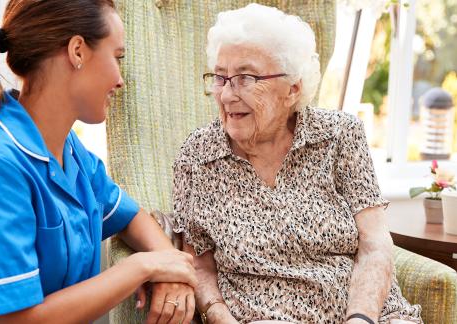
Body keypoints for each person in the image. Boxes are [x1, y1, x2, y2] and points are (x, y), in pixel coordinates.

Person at [0, 1, 196, 323]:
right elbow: (20, 320)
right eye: (117, 57)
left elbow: (130, 216)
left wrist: (169, 267)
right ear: (77, 51)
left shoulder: (68, 151)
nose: (120, 80)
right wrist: (142, 267)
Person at [172, 4, 422, 324]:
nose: (227, 95)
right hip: (266, 317)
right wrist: (221, 317)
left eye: (245, 78)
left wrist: (361, 318)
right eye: (220, 78)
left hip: (367, 314)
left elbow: (375, 243)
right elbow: (200, 265)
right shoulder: (198, 157)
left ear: (293, 88)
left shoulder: (339, 135)